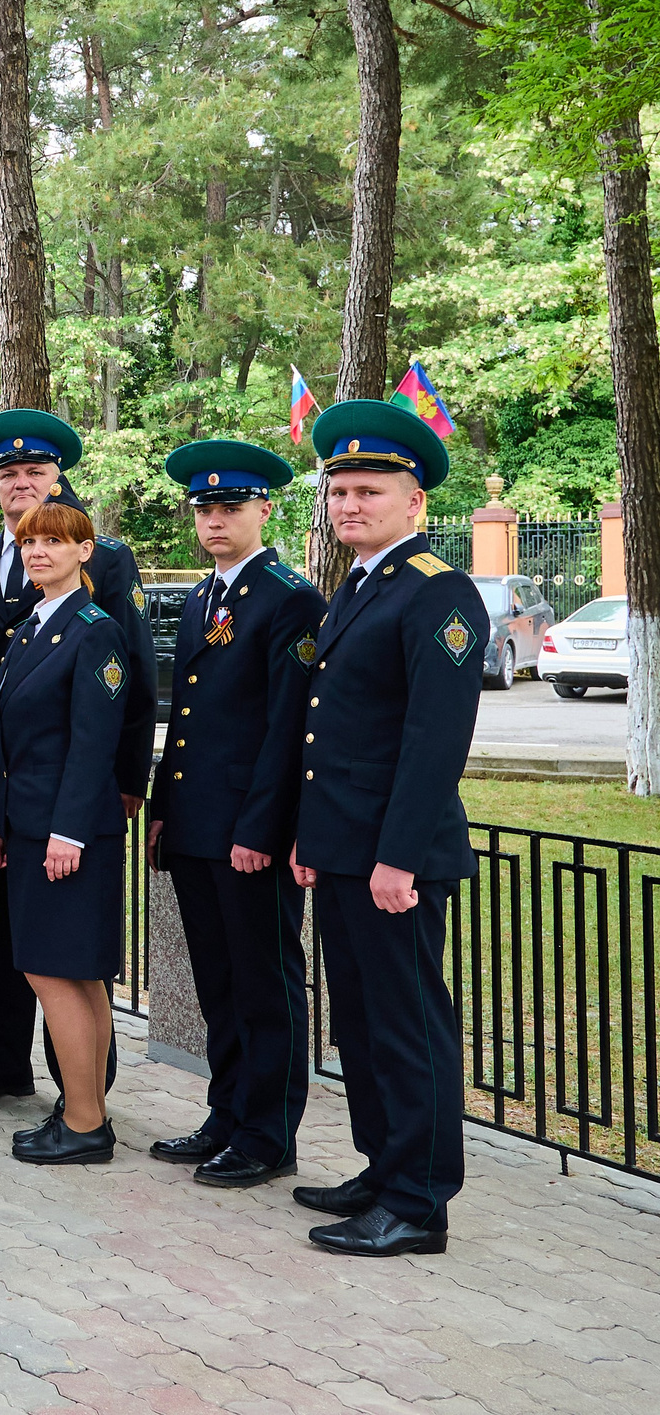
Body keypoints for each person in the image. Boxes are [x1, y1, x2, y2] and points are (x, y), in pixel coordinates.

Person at [284, 402, 485, 1256]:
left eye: (368, 490)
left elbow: (434, 739)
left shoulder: (439, 589)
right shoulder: (361, 586)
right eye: (338, 491)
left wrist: (396, 856)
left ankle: (419, 1200)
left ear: (416, 503)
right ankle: (382, 1165)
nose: (348, 505)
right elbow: (333, 730)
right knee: (360, 1021)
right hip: (341, 849)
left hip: (392, 858)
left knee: (407, 1024)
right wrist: (310, 837)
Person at [0, 409, 154, 1107]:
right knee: (5, 941)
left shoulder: (101, 573)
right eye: (8, 475)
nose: (21, 484)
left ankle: (82, 1095)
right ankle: (1, 1063)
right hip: (5, 786)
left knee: (66, 960)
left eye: (35, 473)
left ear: (58, 480)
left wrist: (125, 780)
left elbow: (128, 685)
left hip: (66, 794)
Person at [144, 440, 321, 1188]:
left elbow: (286, 729)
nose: (215, 520)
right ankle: (227, 1112)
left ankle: (269, 1132)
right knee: (217, 981)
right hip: (195, 824)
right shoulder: (206, 596)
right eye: (205, 509)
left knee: (264, 983)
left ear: (264, 510)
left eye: (231, 507)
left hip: (248, 831)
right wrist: (163, 811)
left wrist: (260, 829)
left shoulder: (288, 598)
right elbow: (183, 718)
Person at [0, 498, 131, 1164]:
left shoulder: (93, 628)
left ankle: (83, 1119)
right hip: (30, 824)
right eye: (28, 542)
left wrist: (67, 832)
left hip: (67, 834)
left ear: (84, 551)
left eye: (54, 541)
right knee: (73, 975)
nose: (38, 551)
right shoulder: (31, 627)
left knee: (56, 972)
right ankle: (84, 1111)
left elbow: (94, 741)